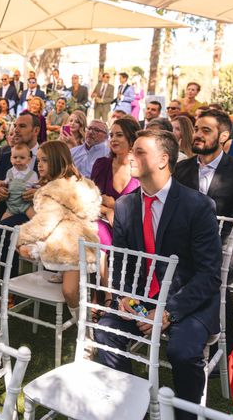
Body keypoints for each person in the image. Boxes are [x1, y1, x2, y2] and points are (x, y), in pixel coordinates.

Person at [95, 130, 222, 417]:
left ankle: (185, 415)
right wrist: (124, 296)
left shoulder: (198, 206)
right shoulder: (126, 205)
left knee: (182, 351)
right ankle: (130, 409)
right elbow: (121, 259)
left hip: (188, 301)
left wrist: (167, 312)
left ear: (163, 159)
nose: (130, 156)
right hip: (144, 298)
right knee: (105, 331)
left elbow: (209, 274)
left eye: (140, 152)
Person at [173, 109, 233, 359]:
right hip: (191, 246)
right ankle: (191, 332)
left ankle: (217, 342)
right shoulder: (181, 170)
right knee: (183, 264)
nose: (197, 134)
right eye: (196, 129)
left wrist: (197, 248)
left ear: (223, 137)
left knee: (208, 269)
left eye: (205, 130)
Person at [16, 140, 101, 307]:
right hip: (77, 241)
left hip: (71, 246)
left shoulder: (52, 191)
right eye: (38, 160)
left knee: (69, 291)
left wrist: (19, 238)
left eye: (45, 160)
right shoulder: (77, 182)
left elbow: (43, 223)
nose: (39, 165)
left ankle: (84, 326)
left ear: (57, 159)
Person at [91, 118, 141, 246]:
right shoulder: (101, 165)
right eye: (111, 135)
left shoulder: (141, 169)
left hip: (131, 231)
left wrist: (115, 206)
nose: (113, 139)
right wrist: (107, 211)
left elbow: (143, 211)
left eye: (119, 135)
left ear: (132, 139)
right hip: (102, 224)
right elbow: (90, 201)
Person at [1, 143, 39, 220]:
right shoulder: (10, 172)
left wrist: (37, 191)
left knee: (35, 219)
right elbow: (5, 183)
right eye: (15, 157)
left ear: (28, 160)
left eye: (22, 158)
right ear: (11, 159)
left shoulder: (32, 174)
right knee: (2, 223)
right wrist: (0, 185)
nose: (18, 160)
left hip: (26, 205)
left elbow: (37, 188)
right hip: (11, 206)